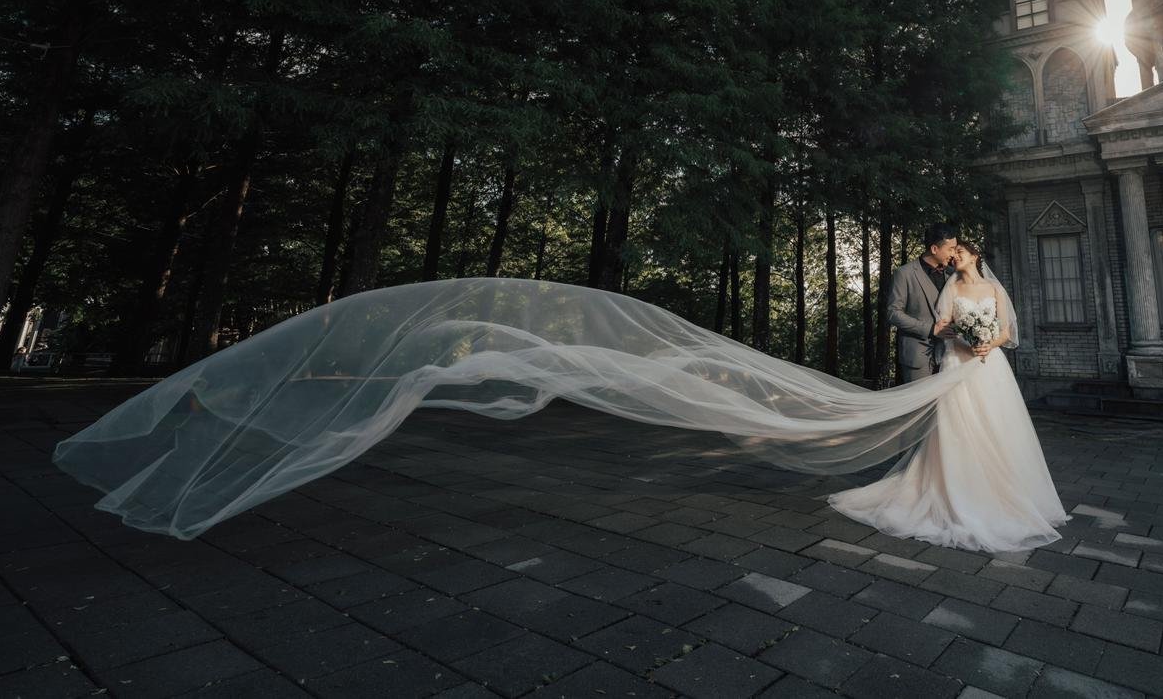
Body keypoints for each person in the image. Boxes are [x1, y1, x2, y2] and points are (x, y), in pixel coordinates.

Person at [54, 241, 1067, 553]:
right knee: (939, 452)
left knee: (991, 449)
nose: (946, 260)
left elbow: (1009, 327)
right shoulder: (927, 290)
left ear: (964, 258)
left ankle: (994, 502)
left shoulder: (985, 288)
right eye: (944, 259)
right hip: (946, 368)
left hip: (988, 379)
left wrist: (982, 336)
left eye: (952, 256)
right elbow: (919, 323)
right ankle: (945, 501)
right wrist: (940, 332)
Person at [828, 239, 1070, 551]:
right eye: (952, 254)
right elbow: (942, 324)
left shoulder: (995, 289)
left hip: (989, 365)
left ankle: (1002, 492)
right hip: (957, 361)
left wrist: (987, 343)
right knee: (957, 427)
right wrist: (964, 337)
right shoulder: (952, 288)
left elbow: (1007, 331)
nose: (955, 258)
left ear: (975, 256)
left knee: (996, 425)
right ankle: (955, 490)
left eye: (960, 253)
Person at [887, 223, 959, 383]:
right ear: (934, 249)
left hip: (950, 355)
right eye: (951, 249)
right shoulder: (904, 274)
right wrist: (931, 329)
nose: (954, 254)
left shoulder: (953, 274)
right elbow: (893, 313)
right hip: (917, 358)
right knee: (922, 408)